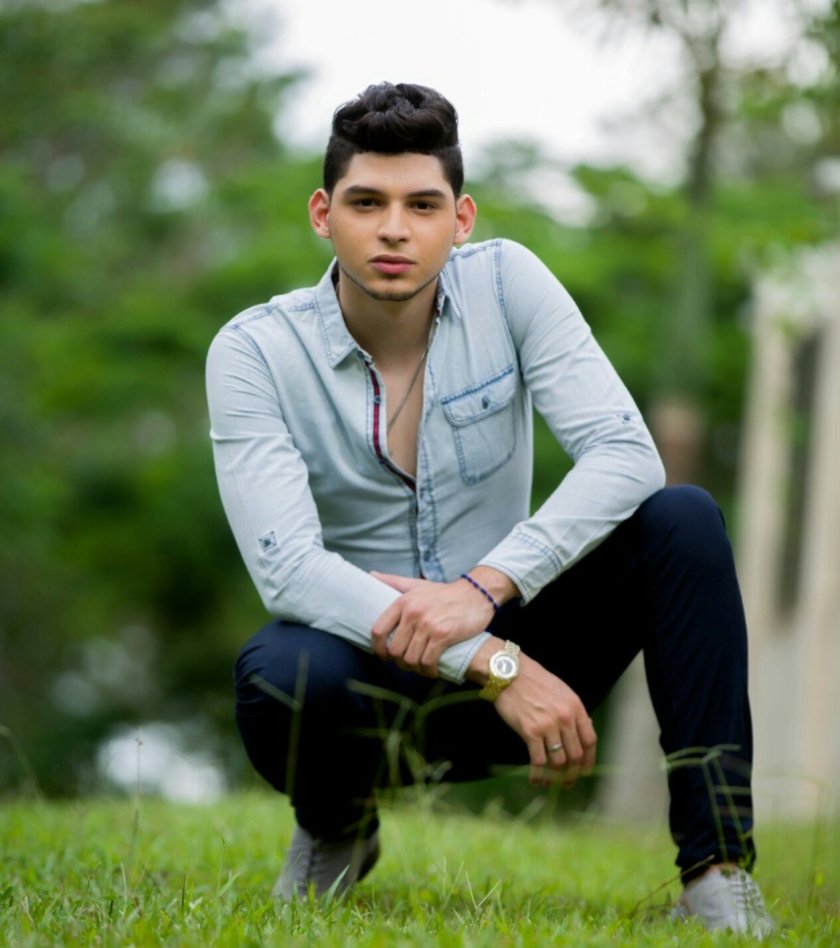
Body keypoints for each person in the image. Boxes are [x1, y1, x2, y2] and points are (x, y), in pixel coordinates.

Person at [206, 82, 773, 936]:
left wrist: (485, 589)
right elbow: (287, 569)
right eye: (366, 202)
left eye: (421, 205)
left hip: (527, 635)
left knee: (683, 520)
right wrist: (490, 661)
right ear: (324, 214)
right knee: (279, 674)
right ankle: (338, 827)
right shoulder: (254, 351)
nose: (394, 229)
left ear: (460, 219)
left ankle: (716, 871)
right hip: (376, 674)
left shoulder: (509, 284)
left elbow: (626, 455)